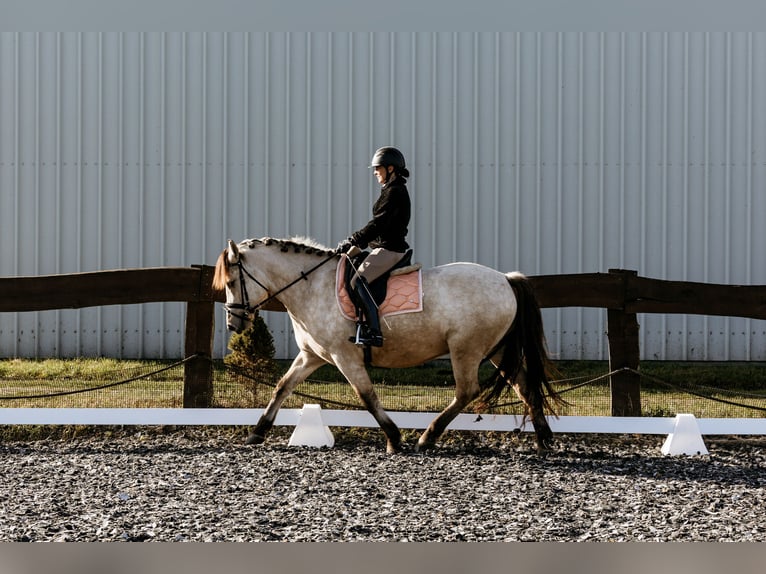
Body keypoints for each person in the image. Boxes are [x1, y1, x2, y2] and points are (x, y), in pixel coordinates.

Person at [336, 146, 411, 347]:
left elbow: (378, 224)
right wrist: (358, 244)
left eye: (378, 168)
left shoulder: (395, 192)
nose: (375, 172)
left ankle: (374, 332)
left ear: (391, 169)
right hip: (382, 246)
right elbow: (380, 227)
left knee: (358, 282)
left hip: (390, 250)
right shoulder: (390, 190)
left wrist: (353, 240)